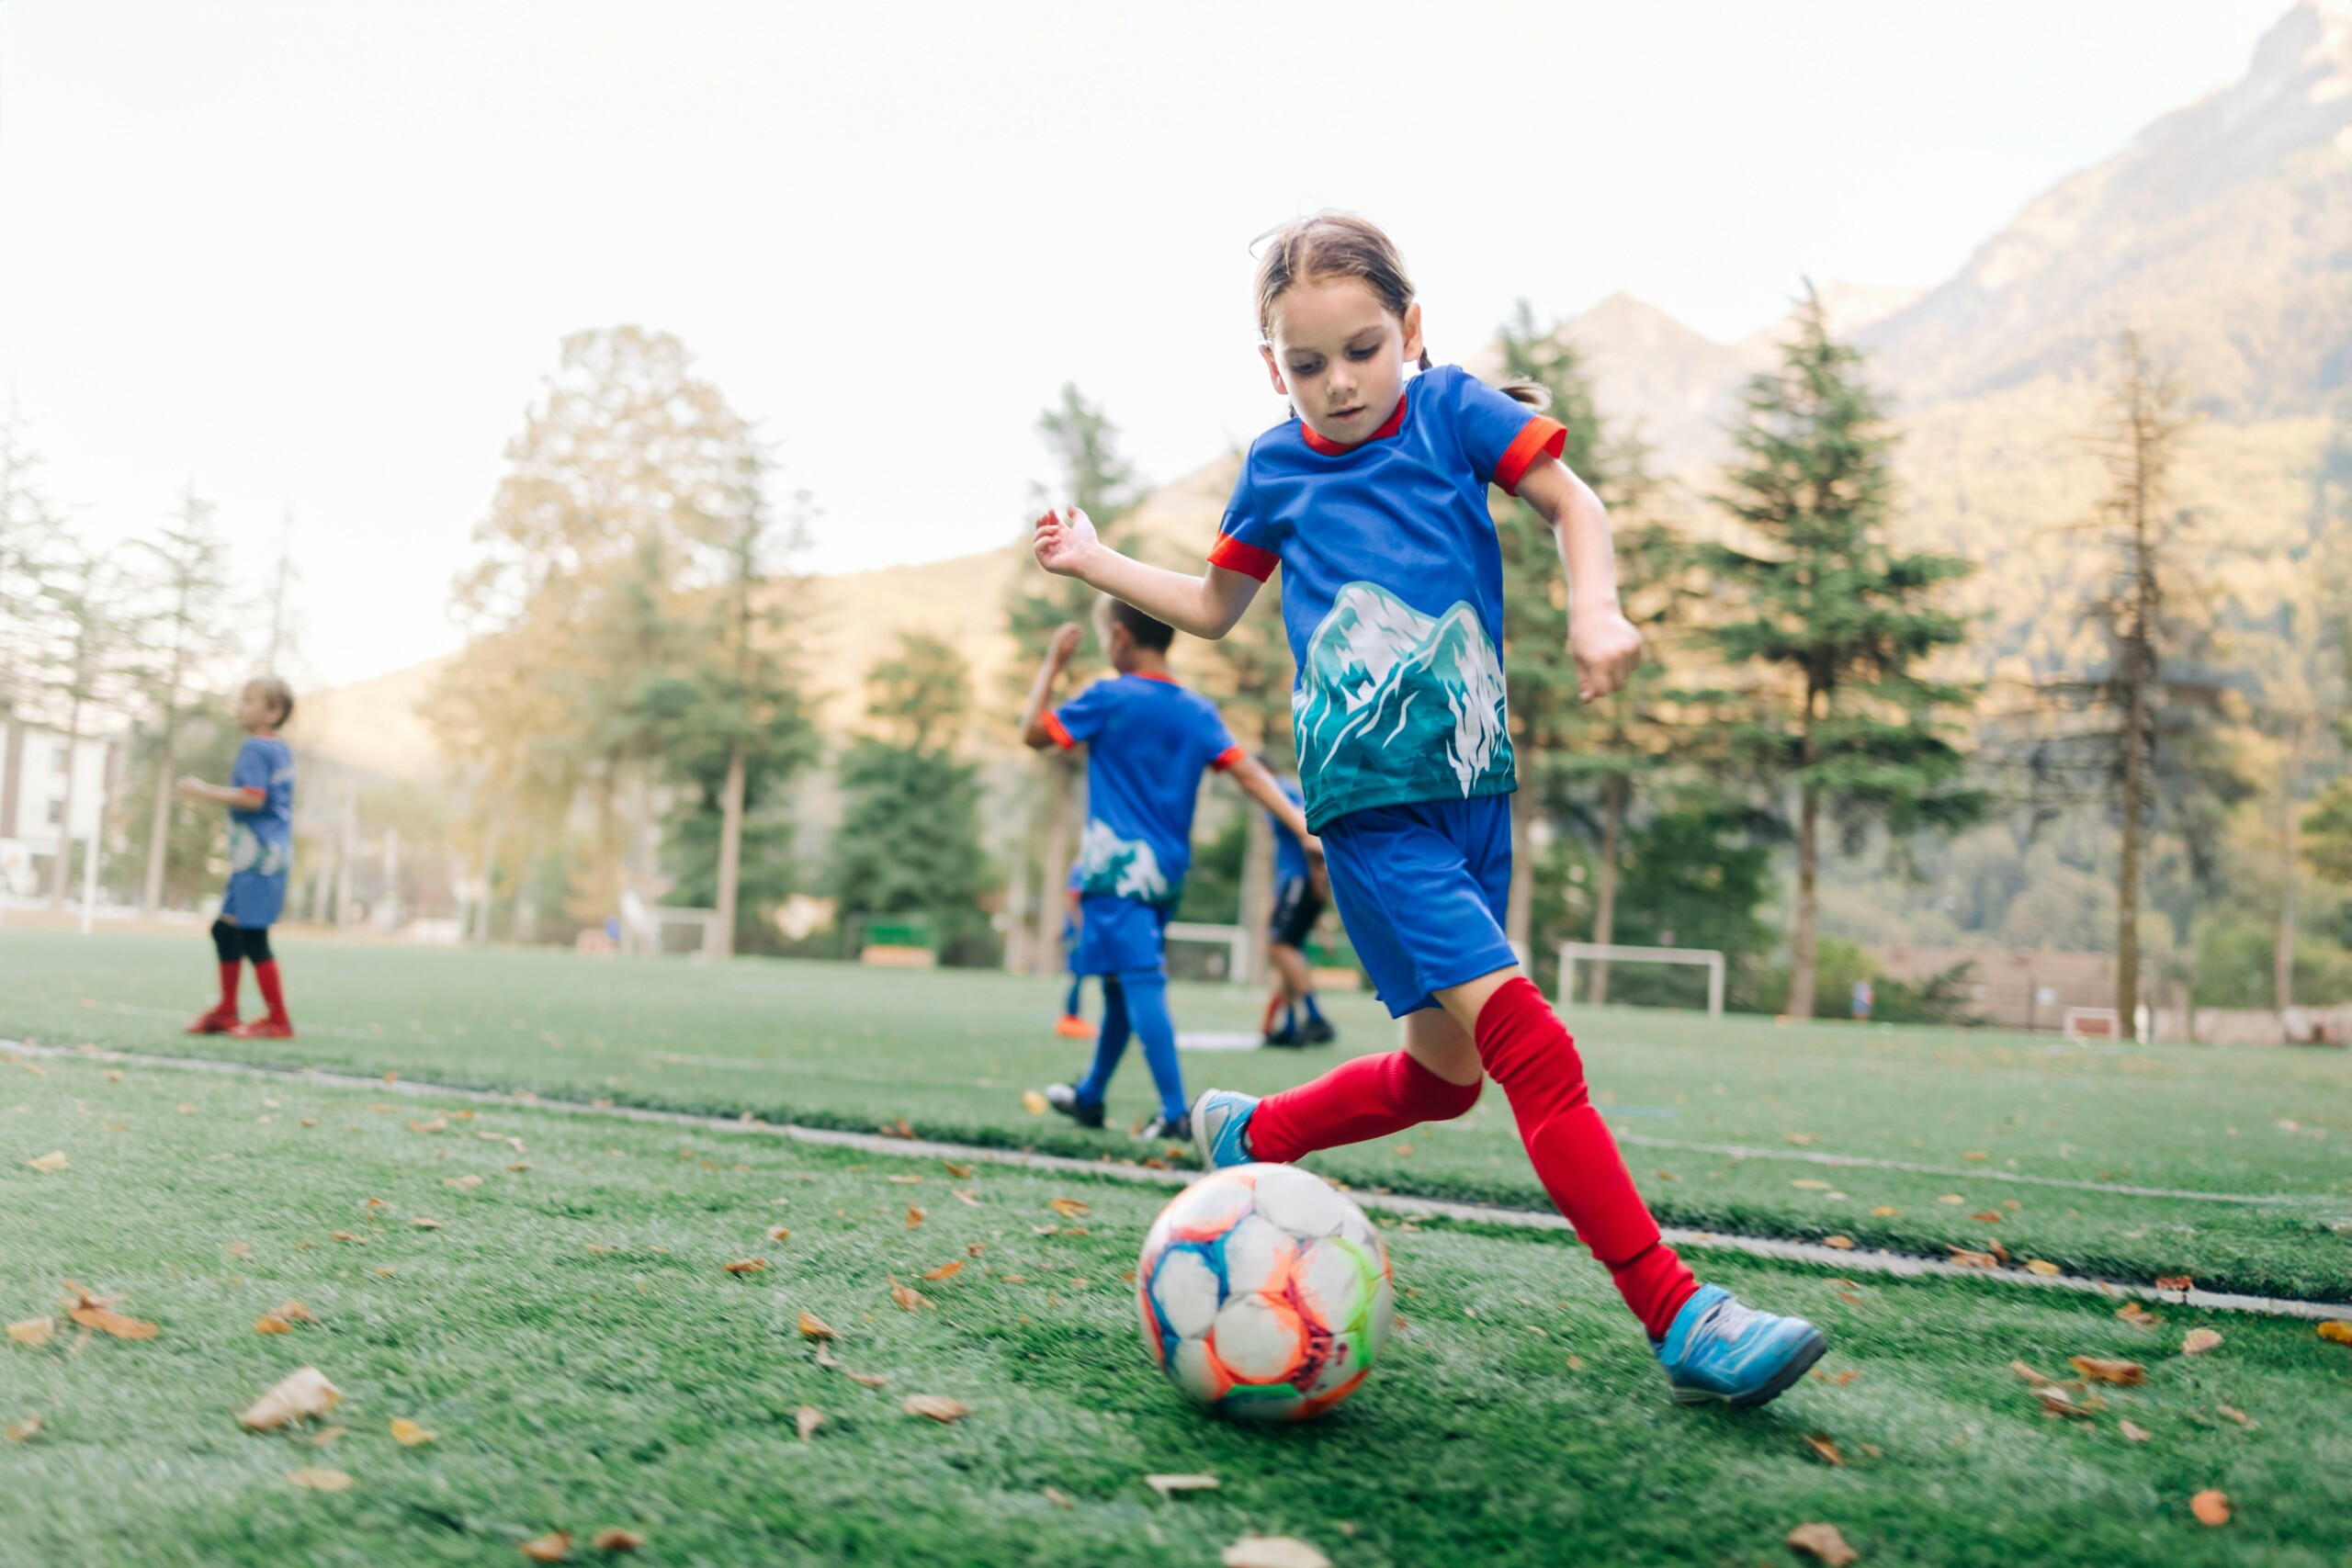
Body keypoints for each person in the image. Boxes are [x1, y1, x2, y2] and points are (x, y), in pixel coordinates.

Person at [1029, 212, 1825, 1407]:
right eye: (1306, 364)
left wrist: (1596, 610)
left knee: (1443, 1078)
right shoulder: (1276, 467)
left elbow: (1575, 505)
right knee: (1532, 1050)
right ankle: (1681, 1312)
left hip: (1475, 797)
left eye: (1361, 349)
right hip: (1368, 812)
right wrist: (1094, 560)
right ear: (1272, 368)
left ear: (1409, 329)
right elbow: (1210, 604)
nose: (1337, 383)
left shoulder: (1457, 411)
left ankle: (1254, 1131)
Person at [1020, 602, 1315, 1142]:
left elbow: (1034, 734)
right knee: (1119, 985)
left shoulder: (1108, 697)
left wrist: (1052, 666)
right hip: (1166, 874)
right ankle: (1090, 1096)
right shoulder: (1196, 709)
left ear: (1121, 640)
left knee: (1139, 980)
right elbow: (1246, 772)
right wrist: (1298, 824)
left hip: (1115, 871)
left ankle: (1176, 1113)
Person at [182, 676, 299, 1040]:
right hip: (263, 855)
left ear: (273, 711)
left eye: (250, 700)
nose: (241, 706)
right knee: (224, 930)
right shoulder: (280, 750)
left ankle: (278, 1020)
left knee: (252, 936)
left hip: (260, 857)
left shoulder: (255, 748)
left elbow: (253, 797)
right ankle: (227, 1012)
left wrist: (202, 791)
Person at [1258, 762, 1334, 1047]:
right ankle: (1290, 1025)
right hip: (1294, 882)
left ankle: (1315, 1018)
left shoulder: (1281, 792)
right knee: (1287, 949)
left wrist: (1319, 875)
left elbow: (1308, 832)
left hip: (1299, 881)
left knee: (1280, 944)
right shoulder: (1280, 794)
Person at [1055, 865, 1093, 1039]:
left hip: (1092, 931)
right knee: (1077, 975)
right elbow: (1072, 899)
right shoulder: (1081, 868)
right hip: (1081, 933)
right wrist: (1081, 929)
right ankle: (1070, 1020)